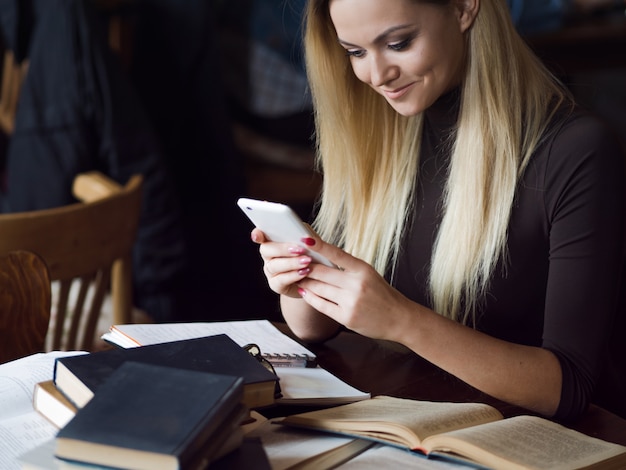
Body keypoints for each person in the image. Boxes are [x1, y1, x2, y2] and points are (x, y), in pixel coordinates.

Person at [250, 0, 626, 423]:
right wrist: (300, 276)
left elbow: (569, 388)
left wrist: (400, 321)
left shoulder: (578, 152)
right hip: (418, 417)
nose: (376, 75)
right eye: (355, 52)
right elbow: (314, 328)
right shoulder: (378, 130)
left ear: (464, 8)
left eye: (398, 43)